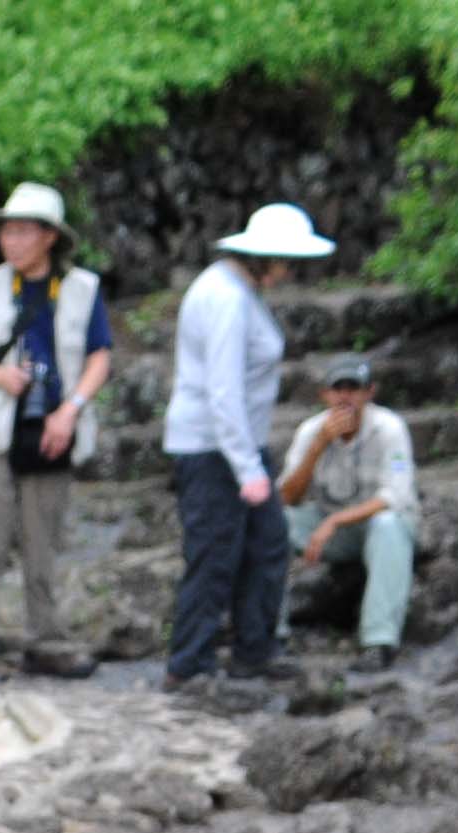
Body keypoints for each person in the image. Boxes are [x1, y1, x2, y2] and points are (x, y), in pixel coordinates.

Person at [0, 183, 116, 676]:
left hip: (54, 428)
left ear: (49, 237)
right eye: (6, 231)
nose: (10, 242)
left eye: (21, 231)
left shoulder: (82, 289)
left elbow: (100, 355)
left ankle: (47, 643)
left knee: (45, 544)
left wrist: (72, 408)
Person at [162, 201, 335, 688]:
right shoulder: (227, 299)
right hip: (213, 448)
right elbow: (224, 391)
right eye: (285, 261)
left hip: (240, 446)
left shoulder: (242, 290)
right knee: (215, 554)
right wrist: (247, 468)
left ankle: (253, 649)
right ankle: (188, 664)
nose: (288, 271)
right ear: (262, 256)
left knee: (267, 546)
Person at [281, 353, 418, 667]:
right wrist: (317, 447)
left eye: (353, 388)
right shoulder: (309, 431)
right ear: (325, 395)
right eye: (338, 388)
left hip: (377, 525)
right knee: (274, 524)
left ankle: (379, 642)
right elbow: (288, 497)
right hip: (332, 526)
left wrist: (335, 520)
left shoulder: (390, 429)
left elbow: (396, 494)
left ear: (369, 393)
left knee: (388, 524)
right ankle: (270, 634)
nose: (345, 397)